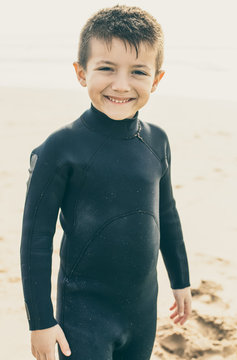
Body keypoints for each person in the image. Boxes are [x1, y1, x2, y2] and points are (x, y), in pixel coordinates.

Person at [20, 5, 192, 360]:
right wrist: (40, 322)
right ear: (81, 73)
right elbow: (35, 239)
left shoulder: (156, 141)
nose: (121, 85)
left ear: (156, 80)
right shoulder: (59, 149)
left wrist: (181, 280)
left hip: (143, 312)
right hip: (83, 315)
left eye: (138, 72)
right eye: (106, 68)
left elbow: (168, 215)